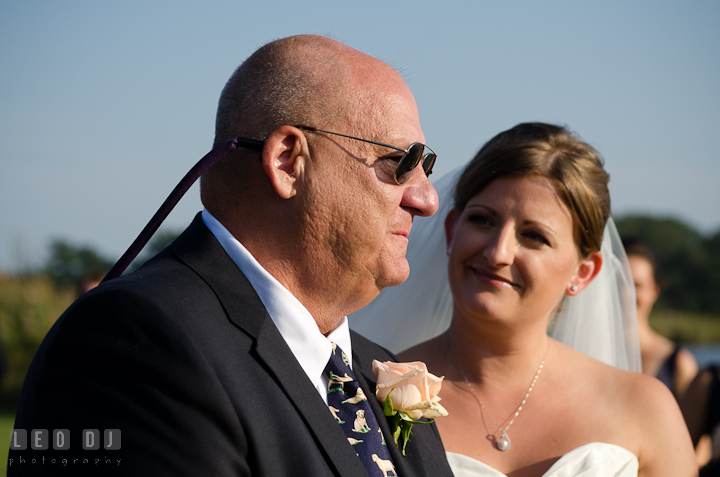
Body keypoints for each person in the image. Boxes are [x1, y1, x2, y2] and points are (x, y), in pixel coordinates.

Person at [9, 35, 454, 476]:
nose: (426, 199)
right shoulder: (134, 340)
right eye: (399, 162)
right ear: (287, 161)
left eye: (426, 168)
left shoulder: (376, 369)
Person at [352, 123, 696, 476]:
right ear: (451, 229)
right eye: (483, 220)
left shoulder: (645, 409)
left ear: (583, 272)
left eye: (533, 236)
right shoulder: (376, 390)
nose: (498, 252)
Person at [622, 238, 698, 399]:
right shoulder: (584, 351)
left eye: (636, 285)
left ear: (654, 290)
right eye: (619, 281)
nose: (626, 293)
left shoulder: (678, 364)